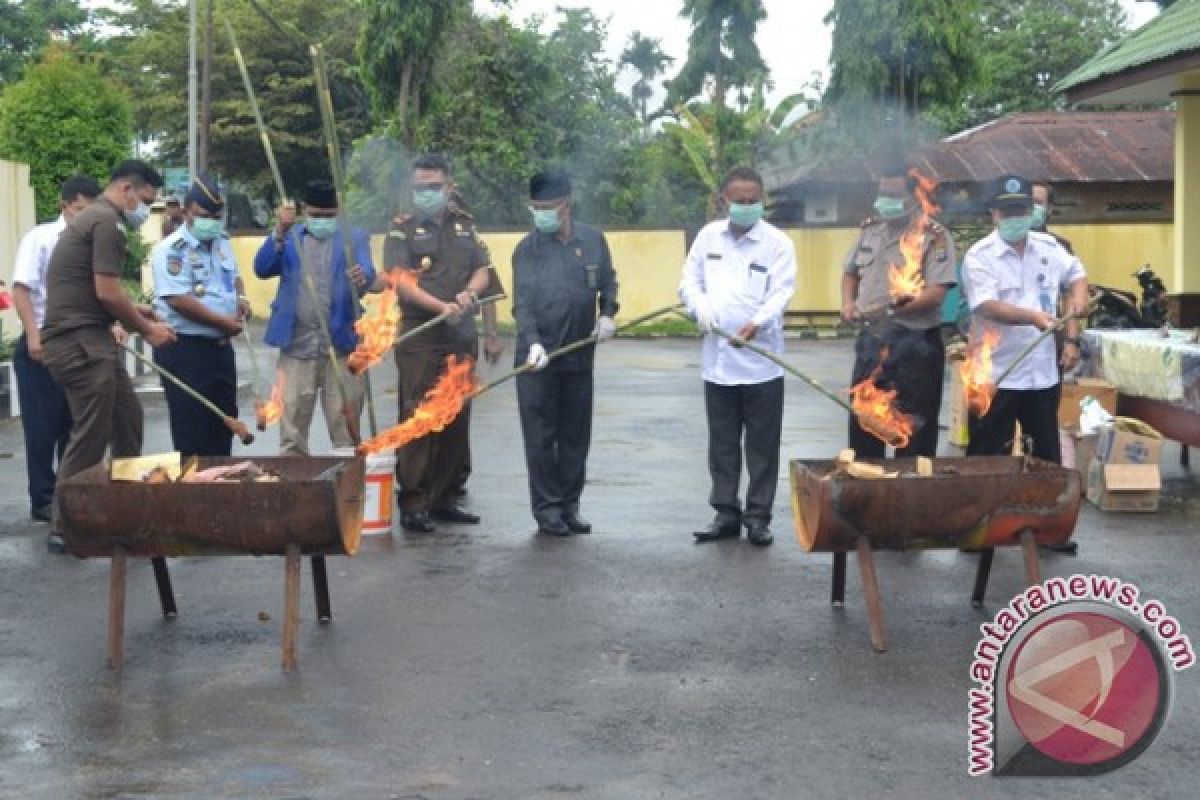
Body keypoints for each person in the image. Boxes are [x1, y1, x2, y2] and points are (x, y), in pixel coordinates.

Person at [40, 160, 176, 553]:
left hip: (90, 340)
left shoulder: (97, 220)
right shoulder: (106, 223)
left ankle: (121, 510)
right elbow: (107, 293)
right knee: (90, 436)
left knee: (127, 419)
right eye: (145, 202)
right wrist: (147, 329)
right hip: (78, 344)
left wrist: (137, 311)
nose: (144, 211)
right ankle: (67, 527)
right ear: (127, 190)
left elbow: (101, 291)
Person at [679, 165, 796, 547]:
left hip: (762, 363)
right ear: (723, 201)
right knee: (723, 443)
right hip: (718, 364)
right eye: (739, 201)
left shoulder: (777, 242)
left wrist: (758, 323)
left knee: (762, 445)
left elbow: (781, 292)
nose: (747, 206)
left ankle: (758, 516)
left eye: (753, 201)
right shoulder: (708, 237)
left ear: (762, 201)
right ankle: (725, 512)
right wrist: (700, 308)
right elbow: (689, 281)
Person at [384, 154, 495, 533]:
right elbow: (402, 281)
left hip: (460, 333)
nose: (427, 194)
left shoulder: (465, 227)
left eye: (434, 187)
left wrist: (467, 295)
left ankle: (446, 496)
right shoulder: (401, 230)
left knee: (456, 415)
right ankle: (414, 501)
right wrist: (440, 308)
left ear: (448, 185)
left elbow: (483, 269)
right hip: (421, 336)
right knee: (419, 415)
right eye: (420, 188)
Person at [512, 169, 619, 536]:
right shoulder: (527, 250)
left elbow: (608, 282)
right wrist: (533, 342)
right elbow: (522, 304)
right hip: (537, 359)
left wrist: (607, 315)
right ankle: (547, 510)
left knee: (575, 435)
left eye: (548, 207)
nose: (541, 214)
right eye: (535, 207)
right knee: (541, 437)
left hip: (579, 355)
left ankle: (570, 504)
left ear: (567, 205)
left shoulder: (592, 241)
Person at [962, 175, 1089, 463]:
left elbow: (1076, 275)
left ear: (1031, 211)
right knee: (988, 457)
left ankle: (1040, 506)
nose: (1014, 218)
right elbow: (986, 306)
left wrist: (1079, 300)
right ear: (993, 214)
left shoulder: (1050, 247)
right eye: (1007, 212)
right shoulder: (980, 256)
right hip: (995, 374)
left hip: (1041, 373)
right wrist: (1032, 317)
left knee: (1044, 457)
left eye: (1020, 210)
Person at [840, 163, 956, 458]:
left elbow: (936, 293)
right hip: (872, 341)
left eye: (893, 194)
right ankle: (868, 492)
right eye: (882, 193)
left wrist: (892, 314)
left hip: (915, 345)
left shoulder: (934, 236)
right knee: (865, 424)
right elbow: (850, 273)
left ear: (914, 196)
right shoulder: (870, 231)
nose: (885, 201)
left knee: (913, 430)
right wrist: (848, 303)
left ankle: (912, 496)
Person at [254, 180, 375, 456]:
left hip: (342, 349)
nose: (322, 221)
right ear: (304, 210)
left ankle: (346, 491)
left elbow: (368, 271)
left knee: (347, 430)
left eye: (329, 216)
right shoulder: (290, 237)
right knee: (292, 433)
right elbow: (262, 268)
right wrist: (279, 231)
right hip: (297, 347)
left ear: (339, 211)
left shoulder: (353, 238)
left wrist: (362, 276)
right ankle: (296, 491)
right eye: (316, 215)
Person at [11, 175, 101, 523]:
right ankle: (43, 499)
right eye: (79, 209)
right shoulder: (41, 239)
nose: (84, 216)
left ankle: (71, 493)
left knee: (75, 423)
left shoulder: (93, 242)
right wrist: (34, 336)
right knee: (42, 426)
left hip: (79, 344)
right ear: (64, 206)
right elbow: (22, 290)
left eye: (90, 210)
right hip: (43, 342)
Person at [151, 173, 248, 457]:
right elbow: (178, 300)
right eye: (203, 215)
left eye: (216, 217)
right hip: (185, 350)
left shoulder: (222, 241)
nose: (211, 223)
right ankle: (193, 494)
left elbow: (236, 276)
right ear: (186, 212)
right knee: (192, 430)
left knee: (223, 424)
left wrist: (241, 299)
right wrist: (224, 323)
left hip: (220, 350)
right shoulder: (170, 251)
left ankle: (219, 490)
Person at [1030, 181, 1074, 255]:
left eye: (1037, 202)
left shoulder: (1060, 246)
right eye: (1028, 201)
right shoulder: (1007, 242)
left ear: (1049, 209)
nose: (1031, 207)